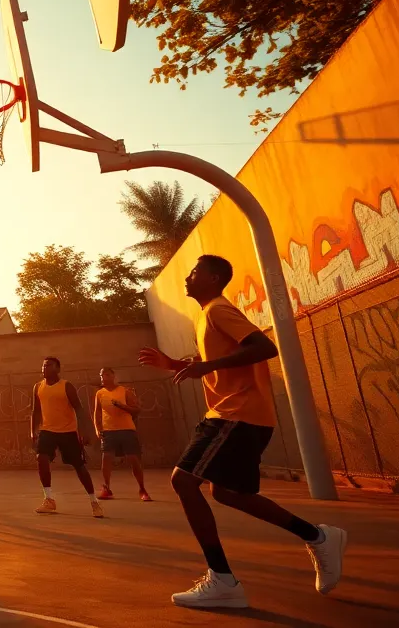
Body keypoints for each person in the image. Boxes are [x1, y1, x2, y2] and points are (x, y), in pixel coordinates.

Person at [140, 255, 346, 609]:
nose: (188, 277)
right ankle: (318, 536)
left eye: (194, 271)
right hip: (242, 415)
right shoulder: (207, 315)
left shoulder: (219, 309)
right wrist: (178, 365)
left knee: (184, 481)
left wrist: (206, 365)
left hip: (236, 413)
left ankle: (222, 579)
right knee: (228, 493)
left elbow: (265, 348)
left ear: (214, 277)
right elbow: (224, 361)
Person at [30, 357, 104, 518]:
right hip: (47, 431)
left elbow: (79, 408)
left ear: (57, 368)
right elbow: (35, 411)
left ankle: (94, 502)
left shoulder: (66, 386)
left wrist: (84, 431)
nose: (44, 368)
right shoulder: (38, 387)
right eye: (43, 365)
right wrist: (32, 431)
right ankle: (49, 499)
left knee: (79, 466)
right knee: (41, 458)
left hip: (68, 432)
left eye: (48, 365)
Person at [92, 367, 151, 502]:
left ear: (113, 376)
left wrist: (121, 406)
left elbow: (137, 410)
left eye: (107, 375)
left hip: (126, 429)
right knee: (106, 458)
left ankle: (142, 489)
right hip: (108, 431)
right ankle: (106, 488)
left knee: (133, 460)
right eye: (101, 375)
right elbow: (97, 413)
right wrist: (97, 428)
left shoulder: (125, 391)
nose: (104, 378)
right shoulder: (100, 393)